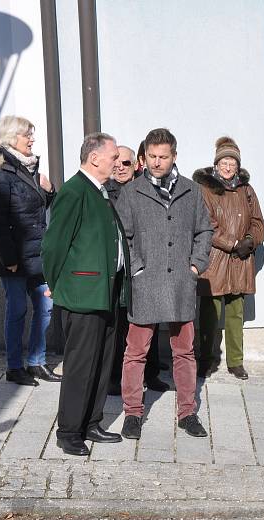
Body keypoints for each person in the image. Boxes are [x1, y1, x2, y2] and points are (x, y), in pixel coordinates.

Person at [115, 128, 212, 439]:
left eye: (163, 157)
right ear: (145, 157)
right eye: (152, 157)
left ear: (174, 157)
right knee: (136, 351)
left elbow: (204, 231)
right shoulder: (132, 193)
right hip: (146, 283)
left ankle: (187, 412)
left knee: (184, 351)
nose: (157, 162)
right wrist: (138, 268)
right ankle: (132, 412)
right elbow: (124, 237)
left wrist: (196, 265)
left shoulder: (191, 191)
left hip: (182, 282)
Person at [41, 132, 127, 455]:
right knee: (80, 364)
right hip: (82, 294)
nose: (117, 162)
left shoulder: (100, 191)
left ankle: (91, 422)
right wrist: (56, 283)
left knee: (102, 362)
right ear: (94, 158)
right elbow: (53, 245)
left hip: (105, 292)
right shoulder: (75, 191)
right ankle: (69, 431)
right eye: (113, 156)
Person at [0, 115, 60, 386]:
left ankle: (37, 361)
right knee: (17, 310)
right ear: (12, 137)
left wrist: (49, 191)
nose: (32, 139)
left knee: (45, 306)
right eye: (27, 135)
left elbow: (33, 206)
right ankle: (14, 367)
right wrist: (9, 259)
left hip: (37, 252)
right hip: (13, 257)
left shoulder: (28, 167)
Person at [194, 136, 264, 380]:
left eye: (232, 163)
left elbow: (257, 221)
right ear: (216, 164)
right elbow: (207, 224)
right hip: (215, 260)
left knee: (236, 314)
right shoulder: (205, 190)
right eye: (224, 162)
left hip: (241, 261)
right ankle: (205, 359)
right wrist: (233, 243)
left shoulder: (246, 190)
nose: (227, 167)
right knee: (209, 314)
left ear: (237, 165)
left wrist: (250, 241)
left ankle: (236, 361)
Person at [104, 145, 168, 396]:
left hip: (145, 266)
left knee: (148, 321)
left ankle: (151, 375)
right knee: (118, 327)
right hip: (118, 270)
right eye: (116, 163)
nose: (120, 167)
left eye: (126, 163)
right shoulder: (104, 191)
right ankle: (114, 377)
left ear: (136, 165)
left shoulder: (146, 189)